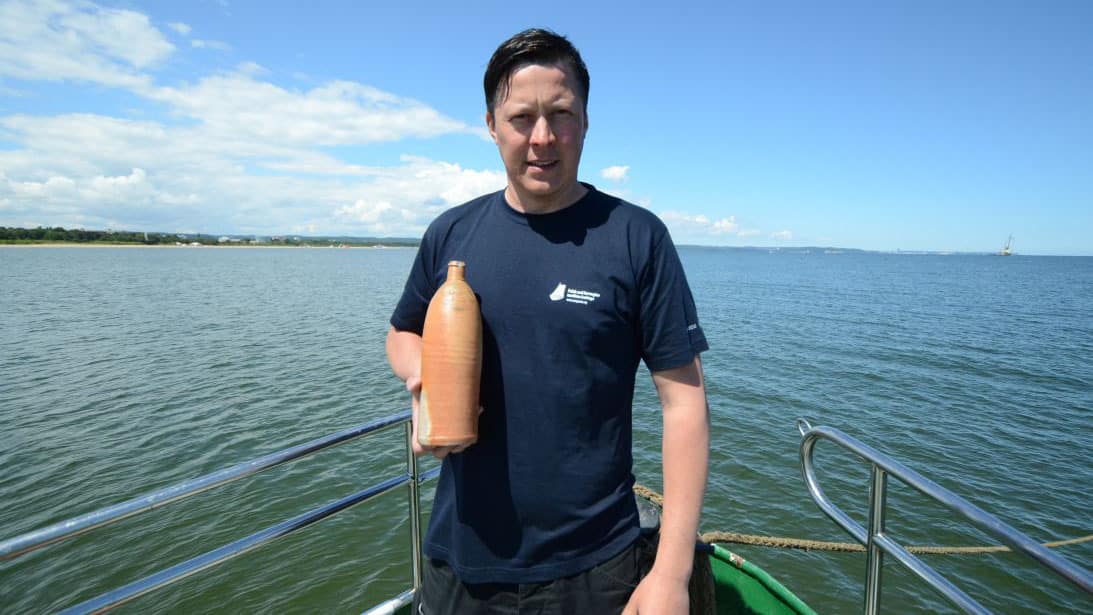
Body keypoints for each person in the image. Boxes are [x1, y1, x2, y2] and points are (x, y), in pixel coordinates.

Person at [386, 28, 709, 614]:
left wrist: (671, 573)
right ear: (490, 124)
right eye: (520, 118)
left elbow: (684, 404)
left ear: (586, 120)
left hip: (595, 570)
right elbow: (403, 330)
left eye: (561, 114)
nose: (542, 138)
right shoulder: (451, 234)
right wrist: (422, 382)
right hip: (459, 562)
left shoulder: (637, 238)